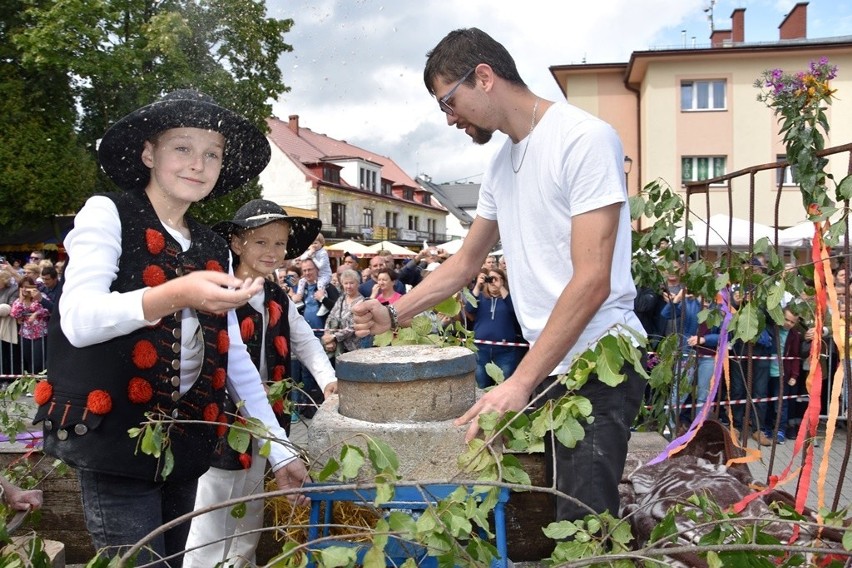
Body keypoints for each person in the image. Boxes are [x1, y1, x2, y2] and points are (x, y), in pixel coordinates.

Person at [353, 28, 646, 523]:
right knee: (551, 520)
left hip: (599, 362)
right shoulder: (501, 162)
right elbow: (465, 263)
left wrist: (519, 383)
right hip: (552, 363)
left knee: (585, 527)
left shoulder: (583, 138)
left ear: (483, 77)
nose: (449, 119)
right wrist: (391, 313)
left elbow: (593, 278)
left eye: (448, 101)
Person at [32, 90, 308, 567]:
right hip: (117, 442)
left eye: (212, 154)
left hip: (186, 445)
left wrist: (280, 452)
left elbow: (233, 353)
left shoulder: (209, 243)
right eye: (182, 147)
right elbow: (78, 319)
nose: (198, 164)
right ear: (148, 153)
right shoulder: (107, 212)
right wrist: (176, 294)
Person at [184, 199, 337, 568]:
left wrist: (329, 381)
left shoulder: (277, 295)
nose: (273, 252)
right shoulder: (218, 291)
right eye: (261, 242)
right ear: (237, 244)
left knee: (251, 512)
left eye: (280, 243)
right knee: (212, 514)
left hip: (266, 423)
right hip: (221, 423)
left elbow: (304, 340)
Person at [290, 258, 339, 418]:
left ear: (317, 270)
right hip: (302, 337)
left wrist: (322, 298)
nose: (307, 273)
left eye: (310, 269)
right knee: (305, 376)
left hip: (322, 337)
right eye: (304, 271)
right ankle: (307, 408)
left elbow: (336, 309)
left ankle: (322, 407)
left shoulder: (327, 287)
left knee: (320, 374)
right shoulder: (301, 288)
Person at [464, 268, 523, 388]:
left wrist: (501, 287)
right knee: (481, 385)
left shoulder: (509, 299)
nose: (492, 282)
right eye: (490, 279)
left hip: (504, 351)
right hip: (481, 350)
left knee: (503, 386)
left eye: (496, 279)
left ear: (503, 281)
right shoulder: (480, 297)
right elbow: (469, 308)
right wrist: (478, 285)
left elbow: (514, 310)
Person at [322, 269, 366, 361]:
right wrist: (327, 335)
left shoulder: (362, 302)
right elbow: (330, 317)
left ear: (358, 283)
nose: (348, 286)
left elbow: (354, 326)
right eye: (346, 283)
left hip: (354, 349)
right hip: (337, 347)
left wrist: (334, 337)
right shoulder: (341, 299)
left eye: (351, 283)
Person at [10, 277, 49, 375]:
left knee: (38, 362)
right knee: (28, 361)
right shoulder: (18, 301)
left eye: (27, 286)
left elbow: (48, 310)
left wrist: (36, 313)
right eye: (22, 287)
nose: (25, 289)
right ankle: (31, 384)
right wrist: (21, 300)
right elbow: (14, 314)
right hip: (25, 335)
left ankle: (40, 382)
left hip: (40, 335)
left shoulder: (40, 296)